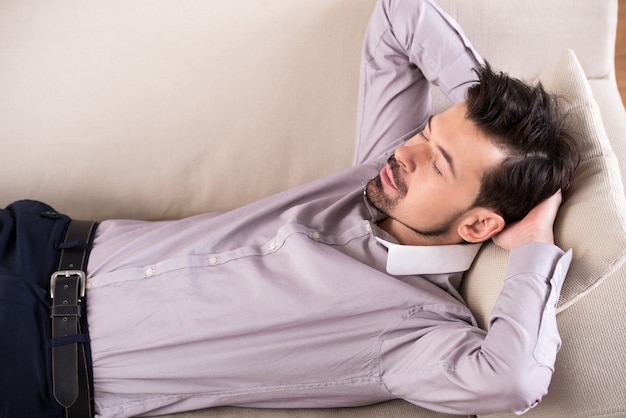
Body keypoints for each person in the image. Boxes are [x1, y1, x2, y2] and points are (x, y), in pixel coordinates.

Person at [0, 0, 580, 417]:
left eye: (440, 162)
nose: (406, 151)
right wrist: (478, 105)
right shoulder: (380, 175)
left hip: (31, 360)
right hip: (36, 240)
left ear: (480, 223)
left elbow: (509, 381)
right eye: (427, 131)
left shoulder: (416, 333)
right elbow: (399, 15)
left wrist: (533, 247)